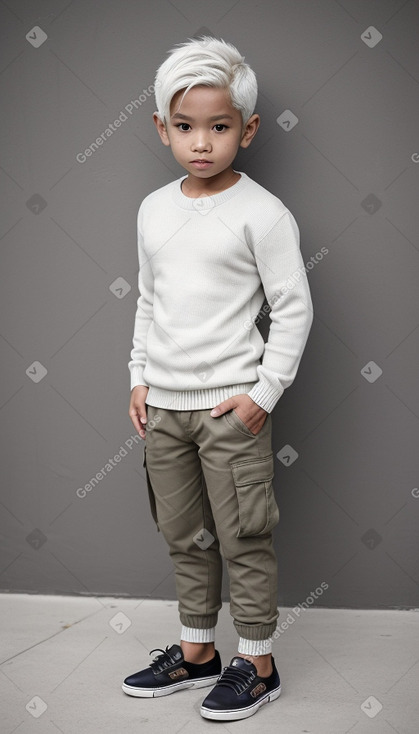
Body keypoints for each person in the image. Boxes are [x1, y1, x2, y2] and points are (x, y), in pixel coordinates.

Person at [123, 36, 313, 721]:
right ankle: (196, 651)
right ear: (161, 128)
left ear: (248, 129)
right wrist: (139, 376)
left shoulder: (262, 213)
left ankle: (257, 662)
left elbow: (293, 307)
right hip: (164, 410)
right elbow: (148, 298)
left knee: (244, 536)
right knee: (184, 535)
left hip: (229, 411)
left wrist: (263, 395)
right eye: (184, 126)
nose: (200, 142)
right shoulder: (152, 209)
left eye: (219, 126)